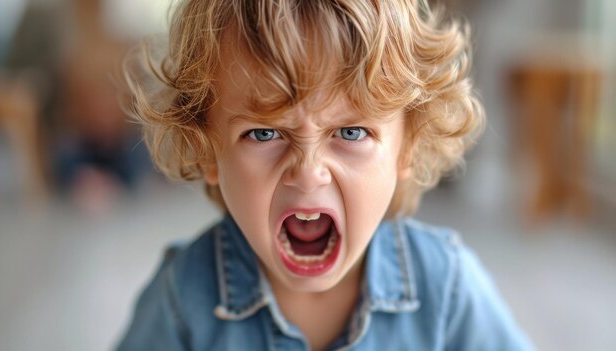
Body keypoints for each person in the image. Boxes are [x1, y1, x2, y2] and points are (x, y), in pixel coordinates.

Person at [117, 0, 533, 350]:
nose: (308, 173)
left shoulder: (447, 290)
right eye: (264, 133)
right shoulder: (183, 297)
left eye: (351, 133)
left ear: (407, 146)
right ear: (208, 148)